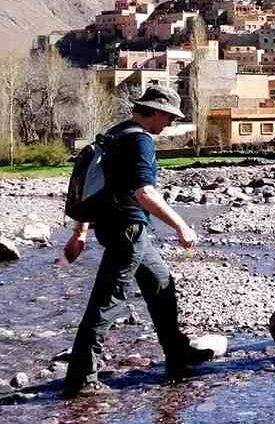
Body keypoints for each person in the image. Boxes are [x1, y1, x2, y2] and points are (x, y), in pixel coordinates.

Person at [62, 85, 214, 398]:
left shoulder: (115, 134)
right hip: (127, 231)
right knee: (107, 301)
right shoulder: (139, 139)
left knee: (161, 284)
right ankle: (82, 378)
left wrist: (80, 232)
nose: (169, 123)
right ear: (155, 110)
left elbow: (94, 188)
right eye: (168, 116)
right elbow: (144, 193)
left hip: (119, 228)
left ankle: (177, 353)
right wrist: (181, 225)